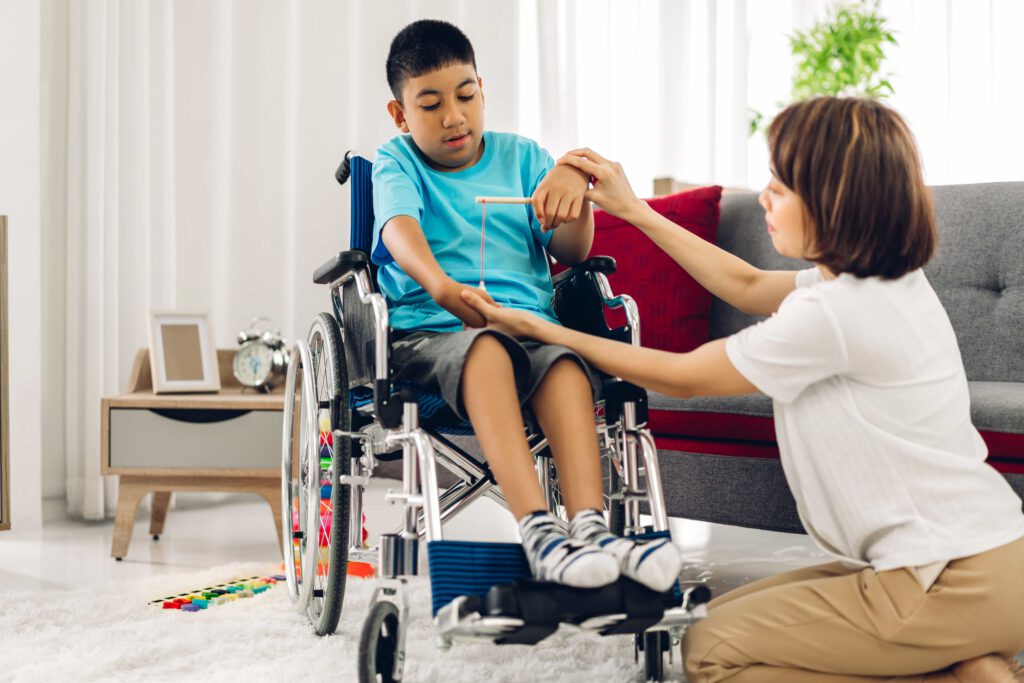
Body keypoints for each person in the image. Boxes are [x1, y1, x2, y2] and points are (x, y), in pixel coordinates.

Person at [461, 97, 1024, 682]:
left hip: (950, 577)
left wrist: (539, 328)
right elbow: (747, 282)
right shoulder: (877, 282)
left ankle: (957, 673)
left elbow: (685, 375)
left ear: (834, 200)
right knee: (704, 621)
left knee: (708, 654)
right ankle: (971, 661)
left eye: (780, 186)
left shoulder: (838, 313)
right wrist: (637, 212)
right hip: (978, 560)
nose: (763, 198)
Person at [371, 19, 682, 592]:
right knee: (487, 348)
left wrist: (574, 195)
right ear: (401, 114)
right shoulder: (397, 162)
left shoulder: (524, 157)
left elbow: (571, 250)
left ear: (482, 89)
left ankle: (588, 527)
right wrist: (441, 286)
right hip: (436, 329)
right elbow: (397, 228)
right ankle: (539, 532)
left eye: (466, 95)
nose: (454, 116)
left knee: (563, 362)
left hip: (532, 328)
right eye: (431, 104)